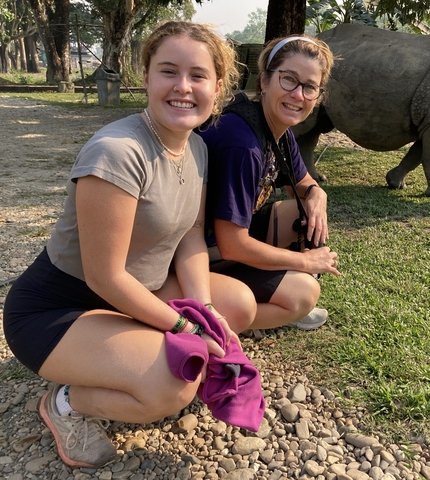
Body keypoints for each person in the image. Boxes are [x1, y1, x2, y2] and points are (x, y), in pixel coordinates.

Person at [3, 21, 257, 469]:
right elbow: (105, 276)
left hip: (128, 296)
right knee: (171, 386)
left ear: (217, 88)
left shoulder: (196, 148)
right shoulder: (117, 152)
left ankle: (128, 355)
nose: (183, 87)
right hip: (60, 309)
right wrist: (184, 329)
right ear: (145, 77)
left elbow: (192, 237)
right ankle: (65, 403)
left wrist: (204, 313)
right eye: (168, 71)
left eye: (198, 75)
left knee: (234, 304)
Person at [198, 34, 340, 332]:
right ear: (264, 81)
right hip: (196, 254)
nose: (298, 95)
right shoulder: (242, 143)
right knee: (304, 294)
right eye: (288, 79)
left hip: (222, 243)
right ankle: (222, 318)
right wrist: (305, 262)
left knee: (302, 213)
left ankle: (253, 293)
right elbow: (233, 244)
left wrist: (317, 195)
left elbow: (303, 185)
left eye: (310, 87)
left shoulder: (277, 129)